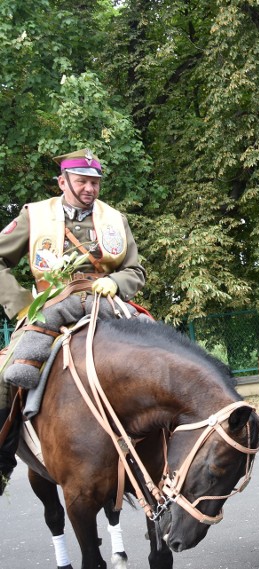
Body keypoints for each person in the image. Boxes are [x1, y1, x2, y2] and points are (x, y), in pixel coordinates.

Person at [0, 148, 146, 494]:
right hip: (51, 304)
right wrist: (21, 304)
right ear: (62, 182)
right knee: (8, 374)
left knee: (166, 353)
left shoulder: (115, 218)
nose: (90, 189)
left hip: (107, 302)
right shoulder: (34, 216)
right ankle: (3, 459)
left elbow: (135, 270)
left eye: (94, 182)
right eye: (82, 181)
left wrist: (117, 282)